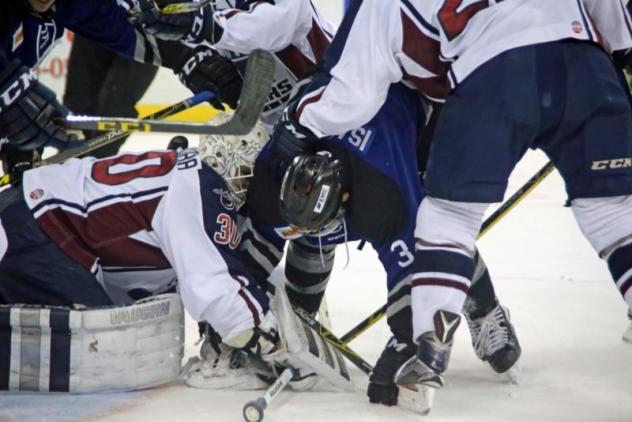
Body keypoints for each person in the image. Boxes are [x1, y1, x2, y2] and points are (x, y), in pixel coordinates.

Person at [261, 0, 632, 398]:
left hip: (487, 80)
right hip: (584, 67)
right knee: (613, 212)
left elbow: (352, 89)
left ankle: (430, 351)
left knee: (445, 217)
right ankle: (466, 316)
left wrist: (295, 125)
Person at [0, 0, 242, 185]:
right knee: (79, 101)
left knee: (114, 102)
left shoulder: (66, 4)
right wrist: (10, 95)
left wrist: (188, 58)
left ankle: (80, 181)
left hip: (141, 22)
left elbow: (118, 25)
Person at [63, 34, 159, 158]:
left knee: (116, 102)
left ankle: (96, 164)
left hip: (146, 30)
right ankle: (69, 161)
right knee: (78, 99)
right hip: (94, 22)